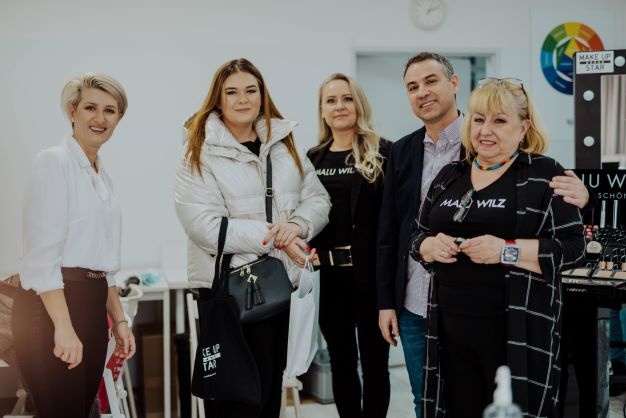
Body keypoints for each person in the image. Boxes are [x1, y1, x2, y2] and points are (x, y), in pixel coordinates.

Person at [375, 52, 590, 418]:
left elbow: (573, 249)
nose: (485, 130)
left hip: (514, 330)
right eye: (479, 120)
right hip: (446, 330)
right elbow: (412, 234)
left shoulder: (543, 174)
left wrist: (505, 251)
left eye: (499, 120)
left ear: (523, 127)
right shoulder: (451, 175)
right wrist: (428, 245)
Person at [174, 58, 330, 418]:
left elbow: (318, 199)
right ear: (218, 99)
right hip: (230, 292)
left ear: (262, 95)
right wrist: (275, 237)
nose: (242, 99)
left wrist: (298, 226)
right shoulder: (198, 150)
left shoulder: (284, 143)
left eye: (250, 90)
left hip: (280, 287)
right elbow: (202, 225)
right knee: (235, 400)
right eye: (232, 92)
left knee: (269, 395)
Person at [11, 73, 136, 418]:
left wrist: (120, 321)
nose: (100, 118)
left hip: (91, 305)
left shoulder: (100, 177)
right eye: (90, 108)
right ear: (72, 111)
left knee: (81, 410)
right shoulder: (53, 162)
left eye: (110, 110)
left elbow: (104, 263)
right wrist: (63, 328)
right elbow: (41, 259)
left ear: (119, 118)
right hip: (52, 308)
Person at [307, 73, 391, 418]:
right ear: (322, 110)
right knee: (341, 362)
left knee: (375, 364)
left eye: (347, 98)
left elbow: (392, 219)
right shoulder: (312, 158)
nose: (339, 106)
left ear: (359, 104)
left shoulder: (383, 152)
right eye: (331, 100)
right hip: (328, 278)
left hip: (370, 277)